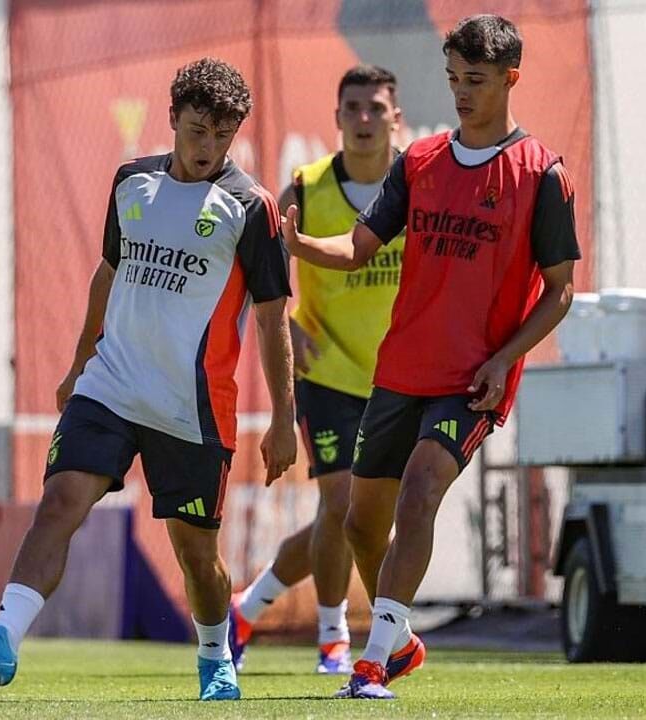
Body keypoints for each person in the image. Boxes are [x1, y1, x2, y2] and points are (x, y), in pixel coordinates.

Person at [0, 57, 298, 702]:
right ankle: (2, 638)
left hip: (190, 408)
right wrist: (79, 364)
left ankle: (215, 655)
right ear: (172, 118)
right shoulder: (132, 183)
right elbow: (109, 273)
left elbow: (272, 317)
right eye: (197, 131)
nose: (208, 147)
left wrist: (283, 419)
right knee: (59, 503)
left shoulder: (250, 207)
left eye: (222, 135)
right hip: (110, 387)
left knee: (196, 557)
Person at [283, 15, 580, 700]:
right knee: (362, 524)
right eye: (453, 78)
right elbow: (358, 247)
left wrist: (505, 360)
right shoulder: (418, 162)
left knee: (419, 492)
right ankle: (403, 642)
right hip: (401, 371)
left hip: (471, 380)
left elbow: (560, 290)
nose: (461, 92)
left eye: (475, 79)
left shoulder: (541, 174)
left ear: (510, 78)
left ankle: (370, 664)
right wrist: (302, 246)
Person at [229, 64, 406, 676]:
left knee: (360, 518)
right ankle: (335, 637)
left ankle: (248, 607)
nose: (364, 119)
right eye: (353, 108)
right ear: (337, 118)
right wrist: (288, 321)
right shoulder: (304, 190)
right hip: (327, 373)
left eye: (376, 108)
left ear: (396, 118)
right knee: (341, 503)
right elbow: (253, 267)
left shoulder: (418, 184)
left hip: (400, 379)